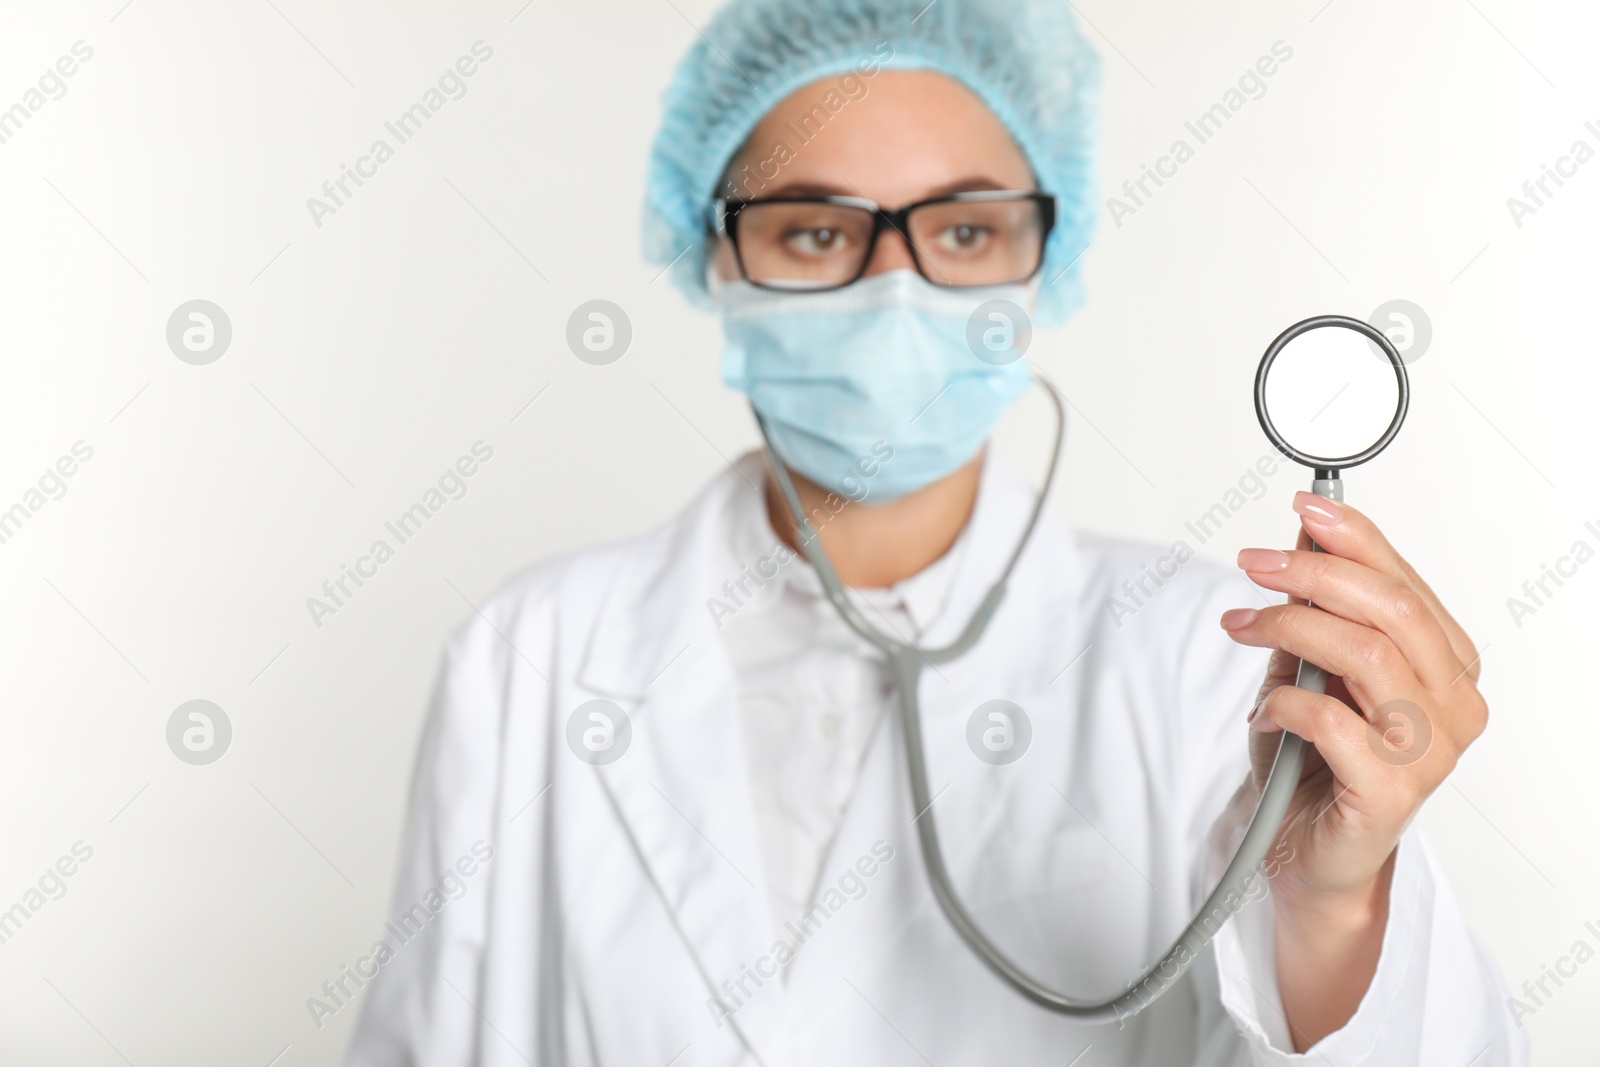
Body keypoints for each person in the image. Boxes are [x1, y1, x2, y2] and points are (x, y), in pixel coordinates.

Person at [346, 0, 1526, 1063]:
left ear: (1041, 261)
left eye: (962, 233)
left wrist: (1328, 909)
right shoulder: (531, 657)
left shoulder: (1216, 656)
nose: (894, 289)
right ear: (717, 252)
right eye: (815, 231)